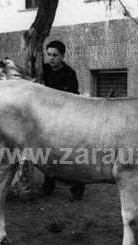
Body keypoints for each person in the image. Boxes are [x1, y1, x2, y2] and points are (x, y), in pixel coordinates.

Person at [41, 40, 85, 199]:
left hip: (66, 118)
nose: (51, 58)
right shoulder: (43, 70)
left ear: (62, 56)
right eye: (49, 55)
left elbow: (73, 98)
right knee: (48, 152)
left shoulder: (69, 73)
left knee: (70, 154)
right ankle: (48, 185)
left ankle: (77, 188)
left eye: (55, 55)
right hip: (47, 117)